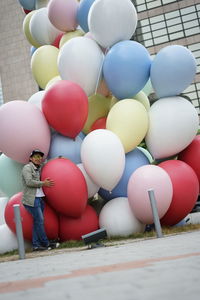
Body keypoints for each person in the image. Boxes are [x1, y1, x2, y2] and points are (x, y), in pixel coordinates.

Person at [22, 149, 59, 251]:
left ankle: (36, 245)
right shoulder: (27, 168)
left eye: (40, 157)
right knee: (40, 221)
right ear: (31, 158)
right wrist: (44, 183)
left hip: (39, 199)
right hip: (31, 199)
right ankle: (46, 243)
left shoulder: (39, 167)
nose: (38, 159)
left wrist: (58, 158)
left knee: (37, 222)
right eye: (36, 156)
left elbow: (48, 163)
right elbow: (29, 182)